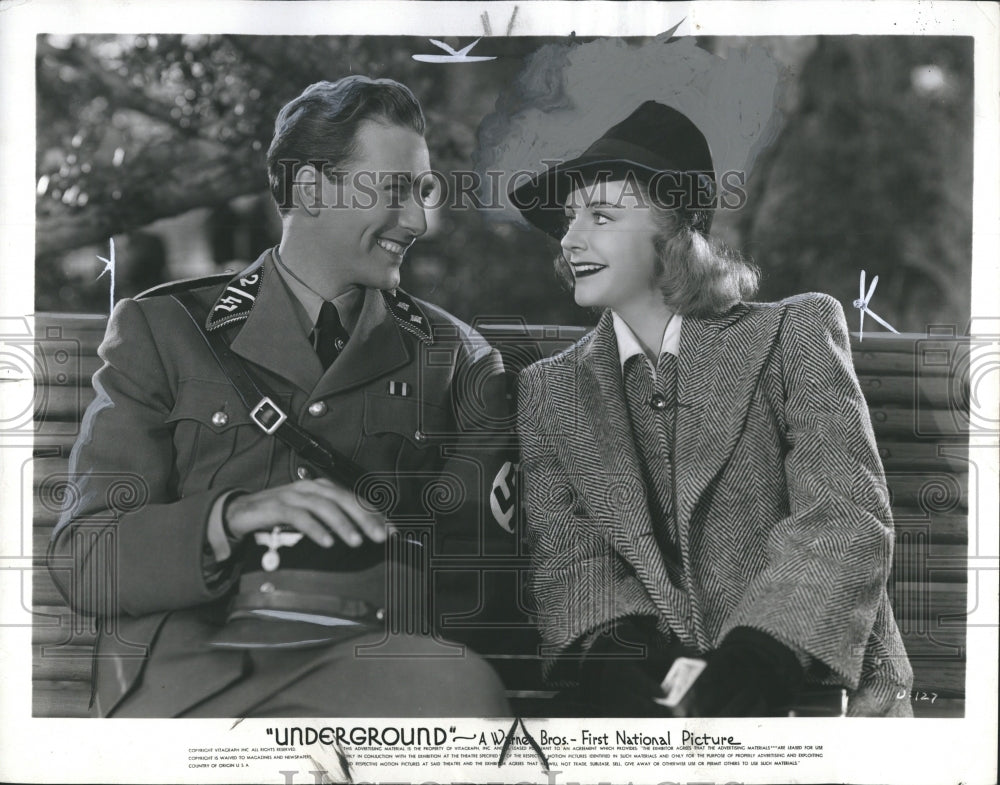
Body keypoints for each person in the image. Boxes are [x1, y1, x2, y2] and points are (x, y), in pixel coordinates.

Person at [48, 76, 516, 718]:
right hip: (192, 674)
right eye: (393, 190)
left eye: (424, 190)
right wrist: (232, 517)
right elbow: (86, 559)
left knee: (464, 697)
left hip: (371, 667)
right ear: (310, 188)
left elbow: (474, 584)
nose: (418, 220)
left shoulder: (455, 359)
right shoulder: (165, 331)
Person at [510, 100, 913, 717]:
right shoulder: (551, 390)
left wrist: (759, 655)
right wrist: (622, 653)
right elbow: (570, 557)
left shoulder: (792, 333)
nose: (570, 239)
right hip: (653, 712)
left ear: (676, 233)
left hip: (817, 695)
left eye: (602, 215)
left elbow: (844, 517)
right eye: (569, 218)